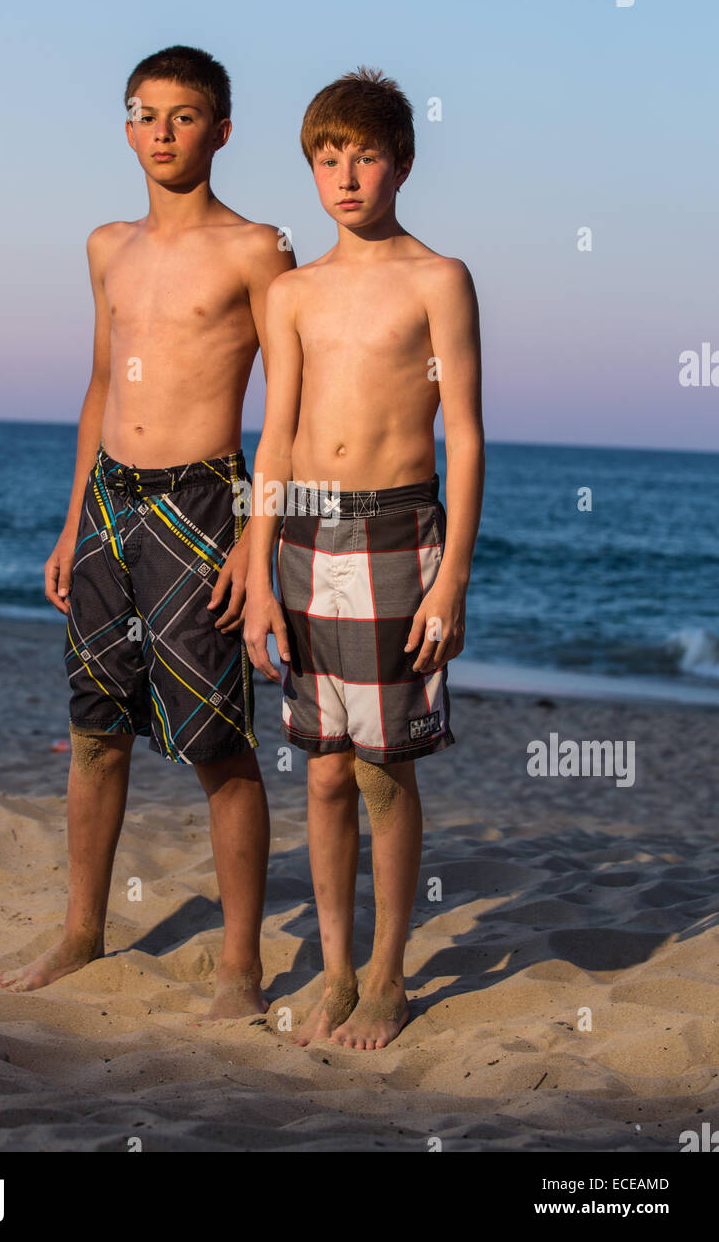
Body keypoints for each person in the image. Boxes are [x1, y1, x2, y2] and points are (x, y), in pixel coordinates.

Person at [0, 45, 295, 1019]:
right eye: (145, 114)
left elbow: (285, 404)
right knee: (92, 730)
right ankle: (82, 929)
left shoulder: (258, 249)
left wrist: (256, 541)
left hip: (202, 504)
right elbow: (95, 384)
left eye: (183, 115)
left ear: (221, 129)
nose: (161, 133)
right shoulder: (104, 245)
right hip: (108, 506)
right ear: (125, 127)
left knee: (218, 743)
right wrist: (71, 519)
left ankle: (239, 969)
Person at [244, 67, 484, 1049]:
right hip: (300, 533)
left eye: (364, 155)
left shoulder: (437, 278)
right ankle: (337, 972)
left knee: (385, 767)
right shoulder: (291, 291)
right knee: (323, 770)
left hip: (395, 534)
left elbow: (462, 434)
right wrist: (257, 569)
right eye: (326, 157)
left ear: (402, 162)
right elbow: (273, 434)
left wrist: (452, 574)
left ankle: (388, 976)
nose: (344, 175)